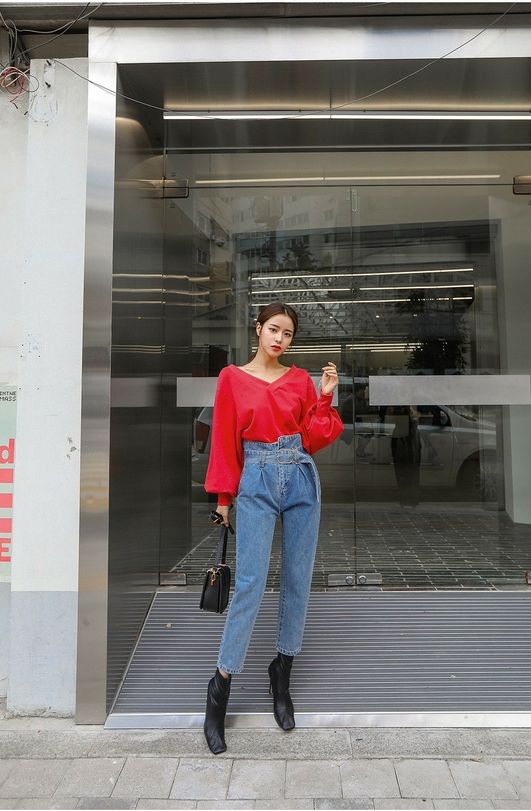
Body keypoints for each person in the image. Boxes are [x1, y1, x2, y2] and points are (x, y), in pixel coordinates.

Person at [202, 301, 344, 755]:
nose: (281, 339)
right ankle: (219, 687)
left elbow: (316, 437)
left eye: (288, 334)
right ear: (258, 329)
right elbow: (224, 439)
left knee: (297, 581)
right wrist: (223, 499)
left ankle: (281, 673)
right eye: (274, 330)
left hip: (300, 475)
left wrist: (324, 396)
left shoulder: (301, 380)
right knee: (250, 582)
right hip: (257, 477)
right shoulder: (231, 378)